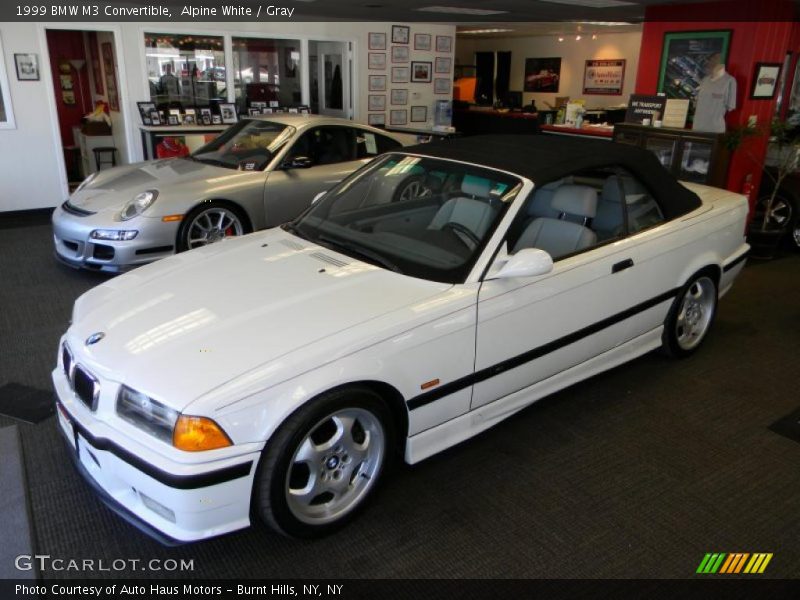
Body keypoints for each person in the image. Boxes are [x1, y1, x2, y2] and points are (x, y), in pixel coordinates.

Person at [692, 53, 736, 133]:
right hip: (696, 128)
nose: (710, 61)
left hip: (715, 130)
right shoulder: (705, 80)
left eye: (714, 59)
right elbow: (697, 103)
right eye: (710, 59)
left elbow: (730, 106)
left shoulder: (729, 81)